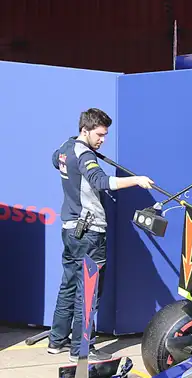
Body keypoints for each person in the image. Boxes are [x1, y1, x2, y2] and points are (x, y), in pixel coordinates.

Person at [48, 108, 154, 360]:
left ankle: (56, 341)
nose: (102, 140)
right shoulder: (85, 155)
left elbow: (55, 160)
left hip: (70, 228)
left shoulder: (66, 147)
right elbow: (102, 182)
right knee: (88, 292)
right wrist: (136, 180)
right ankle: (80, 350)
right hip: (89, 231)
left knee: (69, 285)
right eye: (99, 135)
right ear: (85, 130)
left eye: (105, 135)